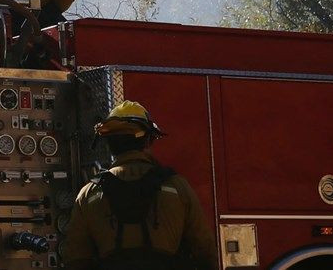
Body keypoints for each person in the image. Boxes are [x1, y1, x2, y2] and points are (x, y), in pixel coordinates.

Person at [62, 101, 218, 270]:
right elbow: (205, 250)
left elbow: (75, 257)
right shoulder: (177, 187)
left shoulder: (88, 194)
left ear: (110, 144)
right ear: (148, 140)